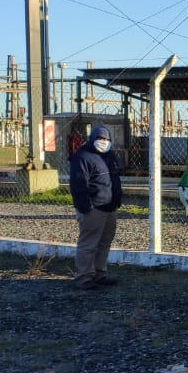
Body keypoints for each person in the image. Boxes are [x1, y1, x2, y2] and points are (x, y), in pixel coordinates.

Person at [68, 123, 123, 290]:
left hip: (109, 207)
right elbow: (78, 185)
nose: (103, 141)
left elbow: (115, 179)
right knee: (89, 244)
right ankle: (84, 277)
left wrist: (117, 201)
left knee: (105, 242)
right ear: (92, 139)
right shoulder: (83, 157)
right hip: (94, 208)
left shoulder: (110, 156)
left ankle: (99, 273)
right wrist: (86, 207)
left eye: (106, 139)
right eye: (99, 138)